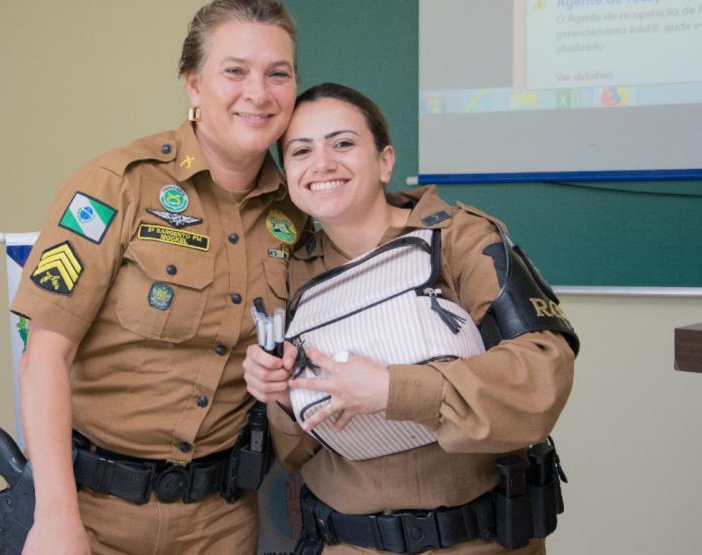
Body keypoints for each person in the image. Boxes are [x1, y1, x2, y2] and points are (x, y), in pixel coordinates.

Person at [10, 2, 304, 553]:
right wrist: (55, 517)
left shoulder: (298, 213)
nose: (258, 93)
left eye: (278, 74)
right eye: (235, 70)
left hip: (222, 521)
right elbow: (43, 356)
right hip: (96, 513)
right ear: (194, 84)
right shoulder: (117, 185)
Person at [243, 83, 578, 554]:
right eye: (301, 151)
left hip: (479, 540)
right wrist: (281, 393)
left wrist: (392, 390)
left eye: (343, 143)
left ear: (385, 161)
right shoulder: (290, 272)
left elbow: (542, 377)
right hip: (347, 543)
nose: (322, 164)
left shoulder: (461, 239)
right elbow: (297, 451)